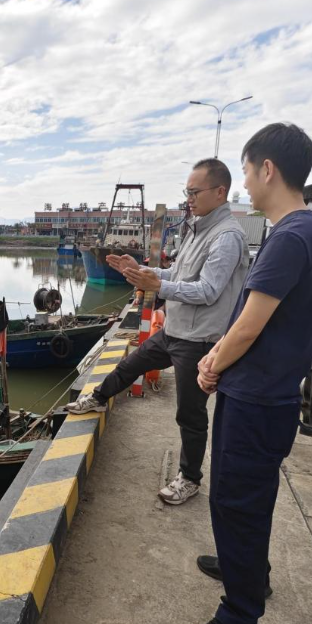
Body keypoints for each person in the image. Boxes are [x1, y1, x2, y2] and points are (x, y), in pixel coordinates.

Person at [190, 122, 312, 624]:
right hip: (264, 394)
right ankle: (249, 569)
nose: (245, 182)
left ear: (268, 169)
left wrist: (211, 364)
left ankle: (240, 617)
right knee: (250, 498)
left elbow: (248, 326)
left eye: (247, 171)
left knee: (236, 501)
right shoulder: (298, 232)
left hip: (257, 399)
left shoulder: (290, 237)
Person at [65, 158, 249, 505]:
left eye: (194, 192)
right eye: (187, 192)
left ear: (220, 192)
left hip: (199, 340)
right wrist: (143, 269)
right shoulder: (197, 229)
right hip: (175, 329)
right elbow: (176, 274)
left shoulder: (226, 237)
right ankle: (99, 399)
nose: (189, 199)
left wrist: (158, 287)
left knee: (190, 414)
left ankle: (190, 479)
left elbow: (209, 291)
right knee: (130, 364)